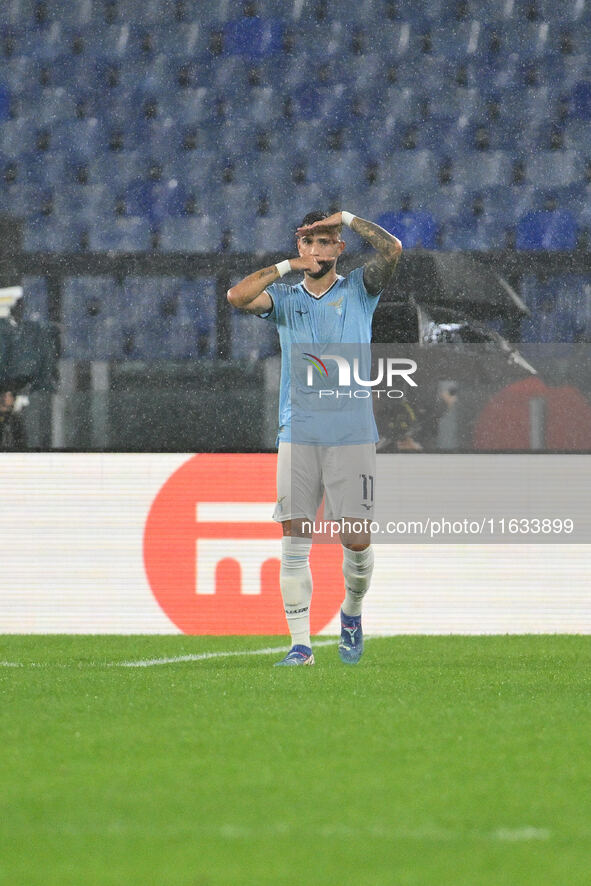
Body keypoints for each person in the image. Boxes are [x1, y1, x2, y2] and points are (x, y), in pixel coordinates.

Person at [227, 210, 402, 665]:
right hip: (299, 429)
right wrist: (286, 266)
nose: (318, 250)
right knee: (294, 536)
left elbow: (393, 250)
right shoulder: (284, 298)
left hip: (352, 432)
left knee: (357, 541)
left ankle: (352, 610)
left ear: (340, 249)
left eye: (327, 242)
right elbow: (237, 296)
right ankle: (300, 646)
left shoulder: (359, 290)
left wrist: (347, 217)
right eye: (310, 242)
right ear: (300, 246)